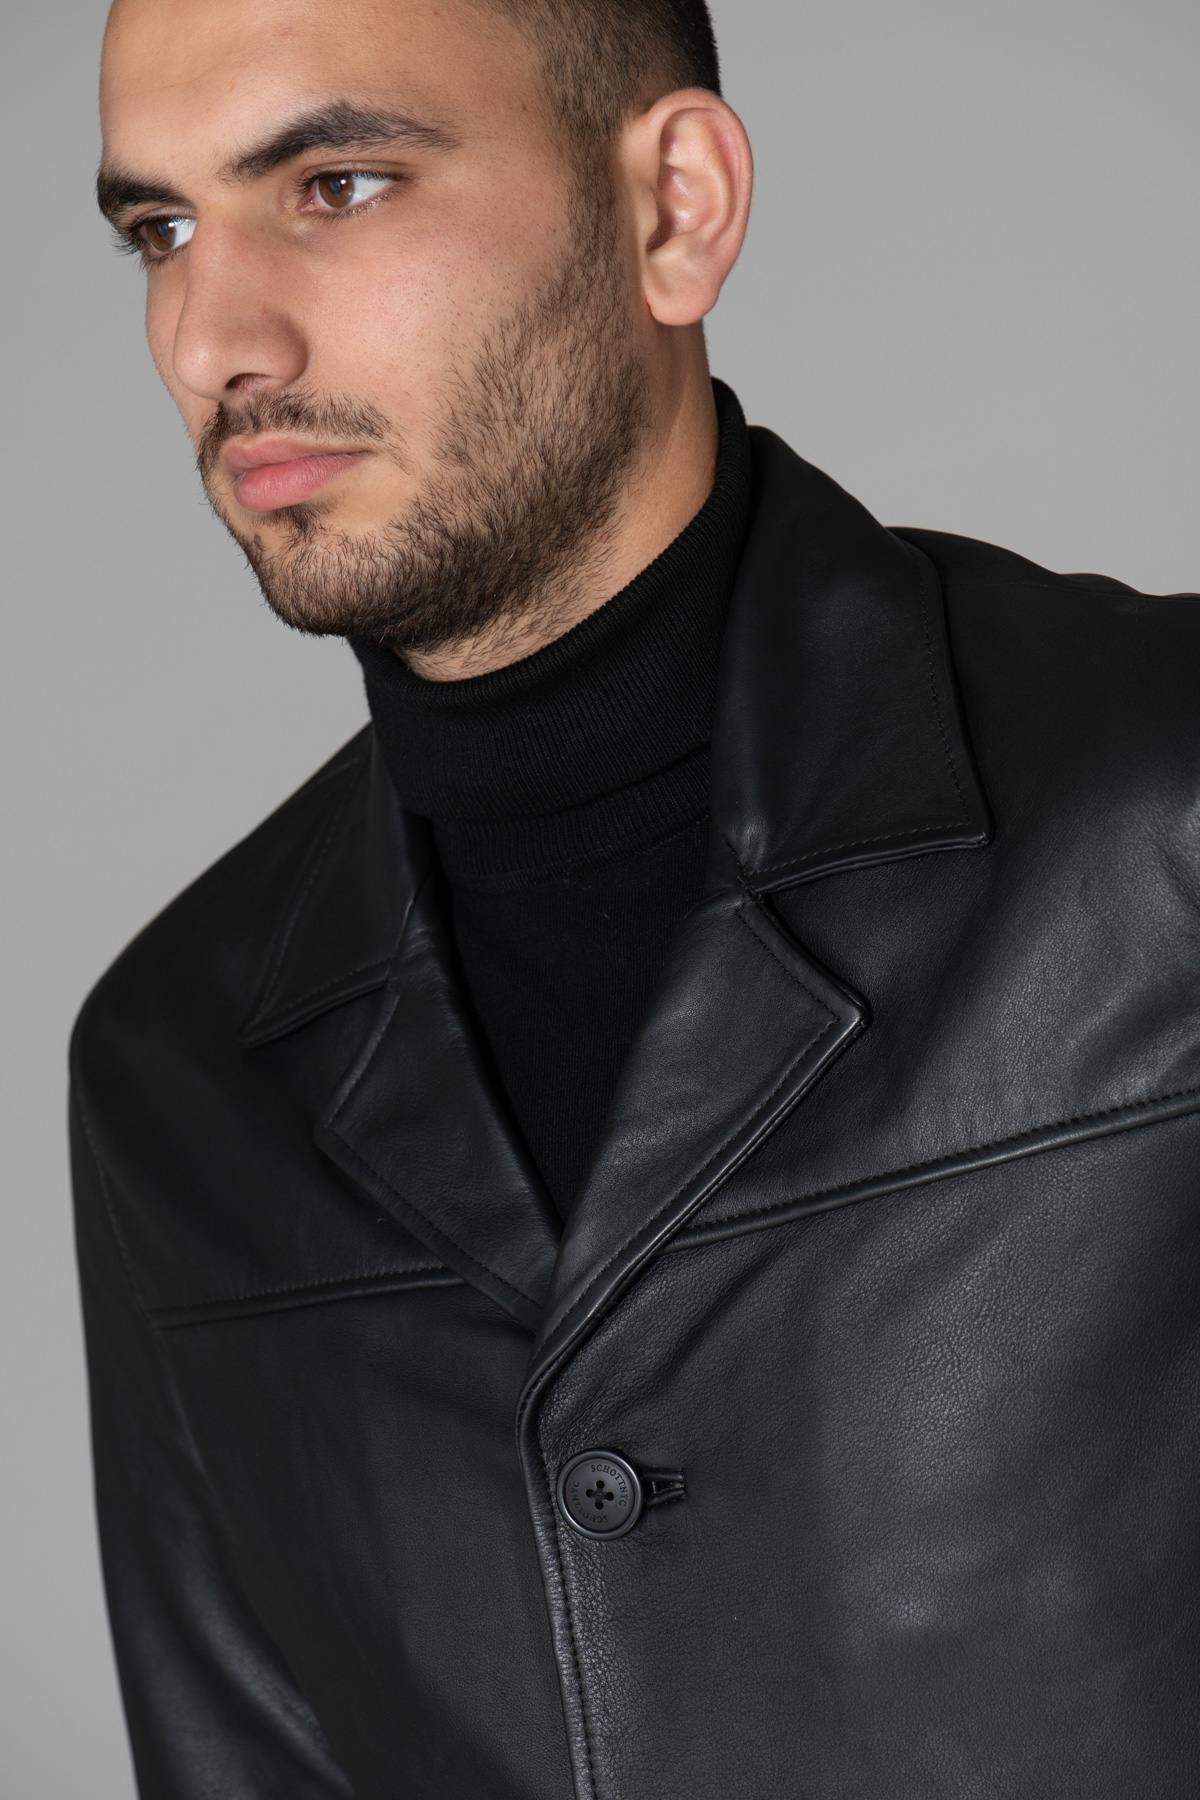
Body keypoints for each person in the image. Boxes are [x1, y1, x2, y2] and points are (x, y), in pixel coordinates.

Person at [70, 0, 1200, 1794]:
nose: (216, 338)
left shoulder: (1161, 812)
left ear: (675, 207)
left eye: (338, 184)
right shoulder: (173, 1063)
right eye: (163, 227)